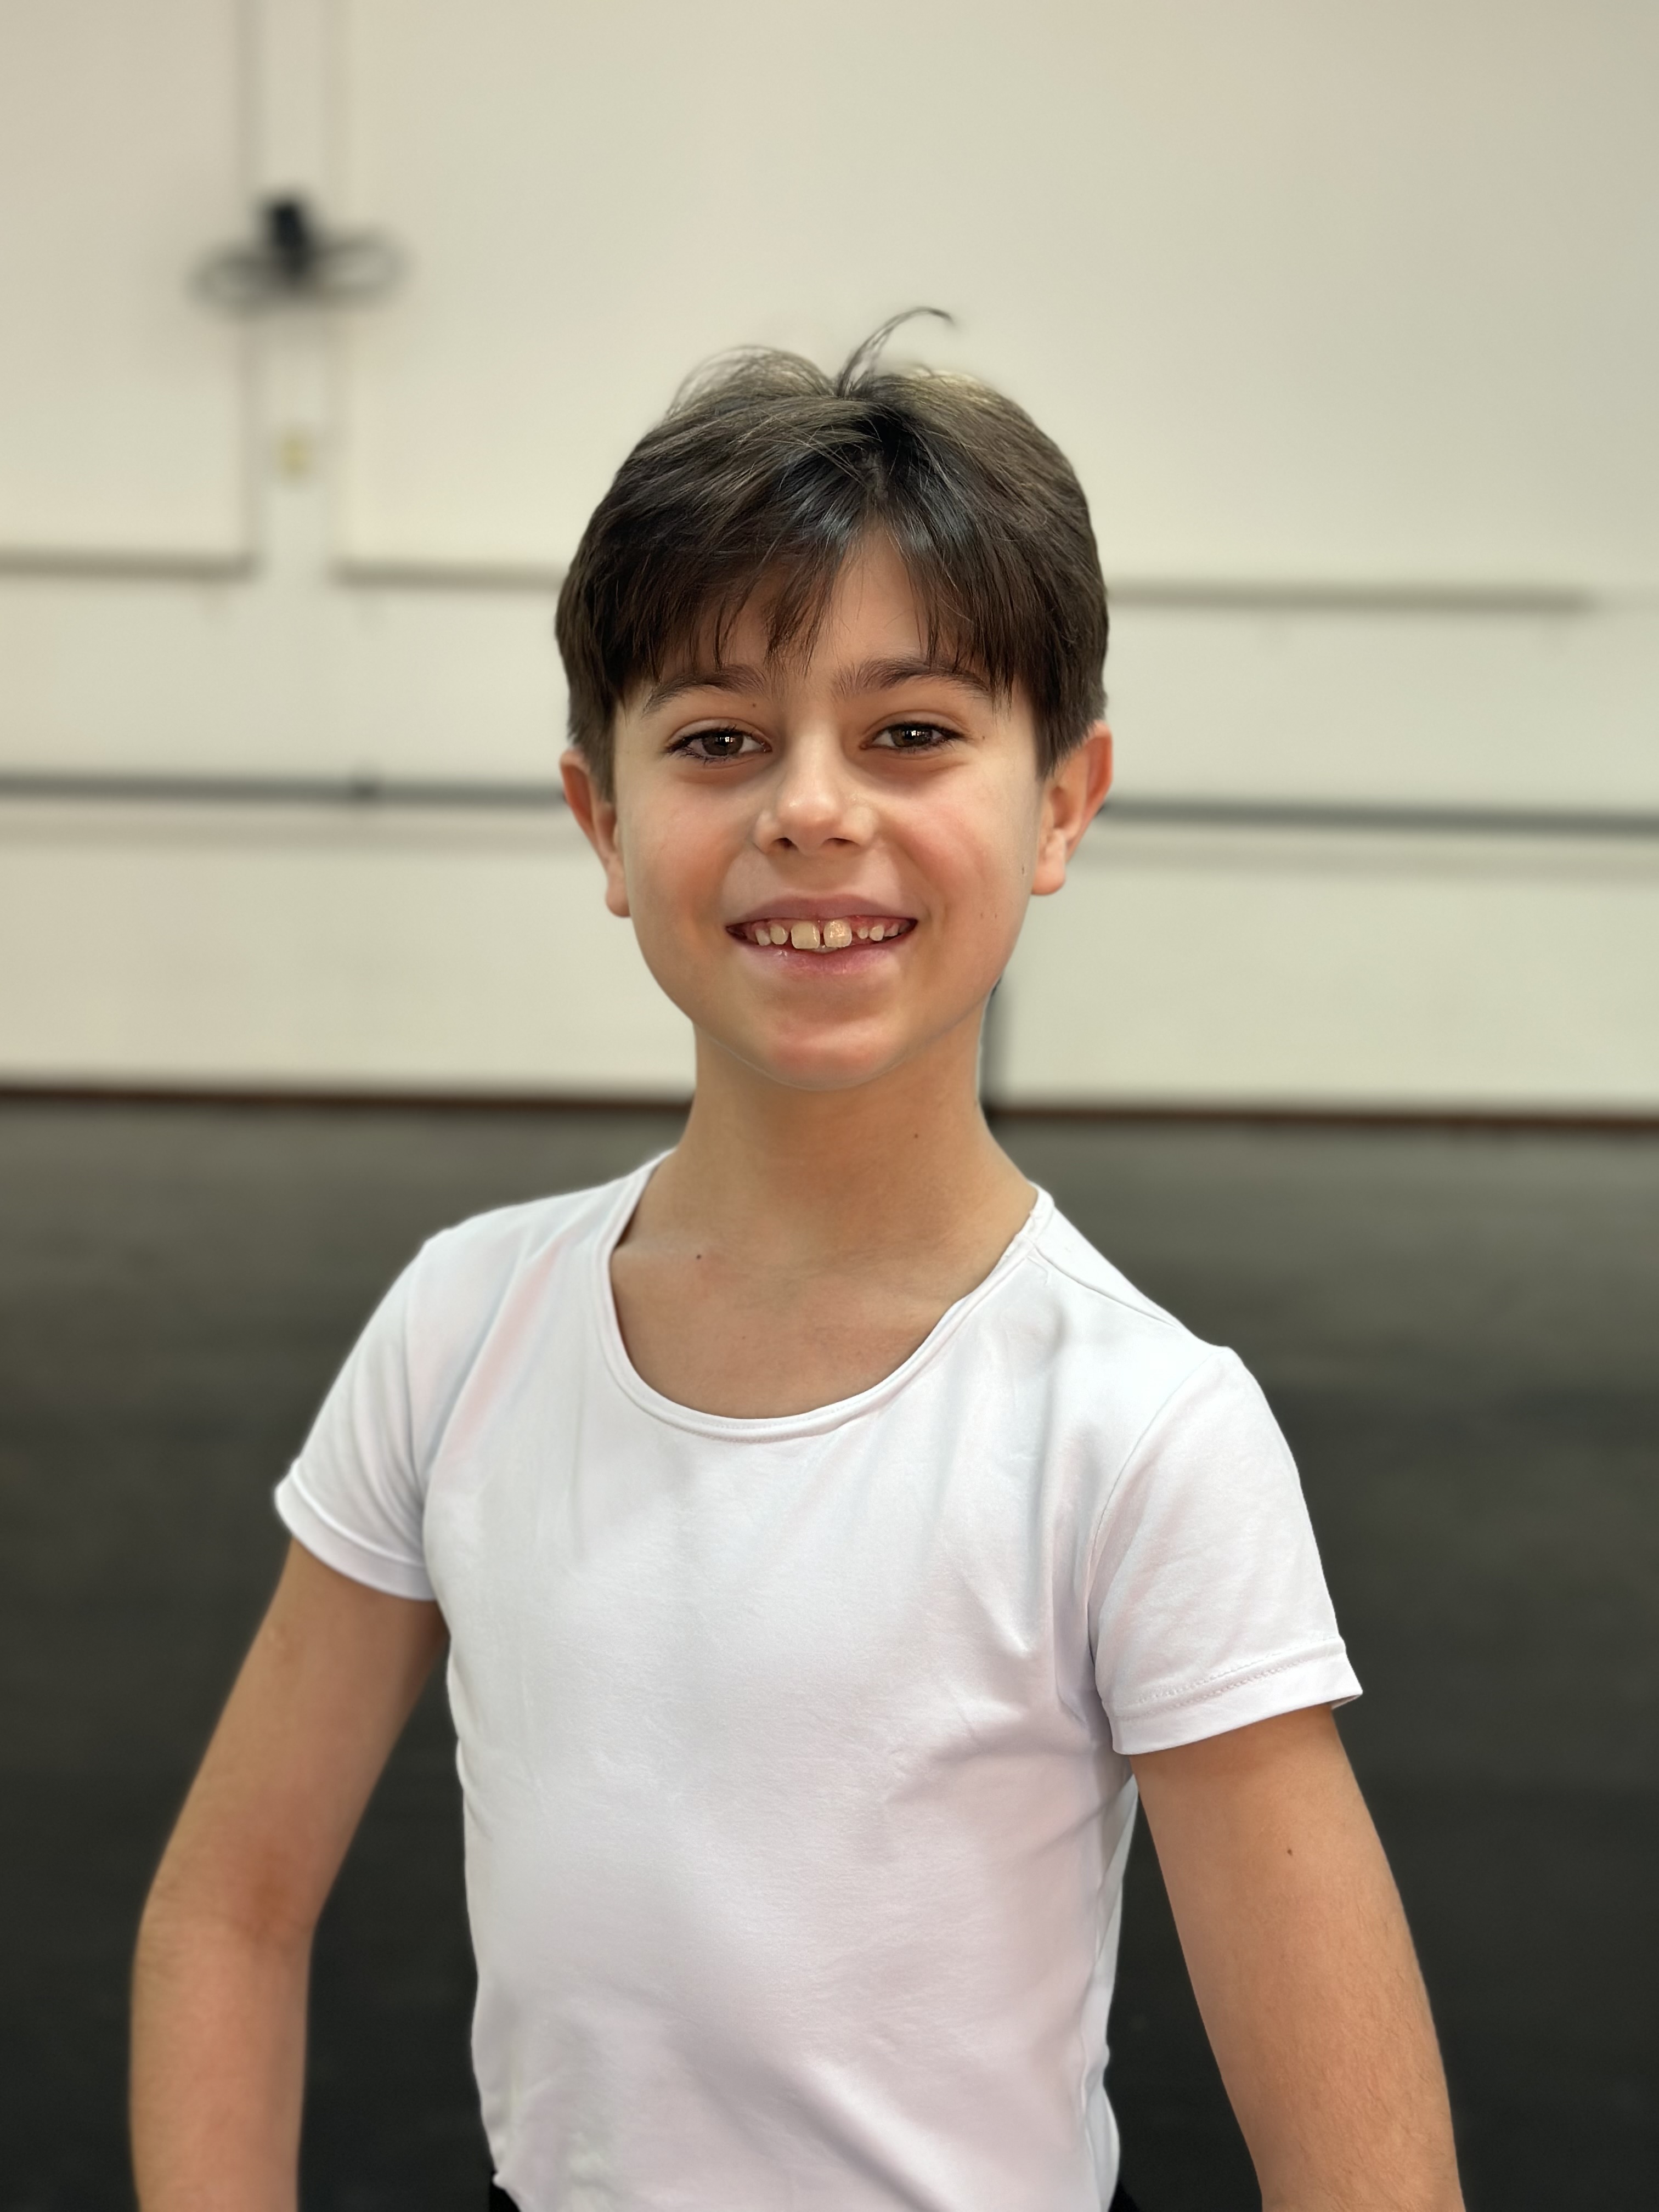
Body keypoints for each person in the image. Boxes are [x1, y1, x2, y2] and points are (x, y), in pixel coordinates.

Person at [131, 323, 1464, 2212]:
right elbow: (230, 1911)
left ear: (1061, 801)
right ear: (605, 821)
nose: (811, 808)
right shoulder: (464, 1328)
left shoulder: (1141, 1434)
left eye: (910, 732)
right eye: (719, 740)